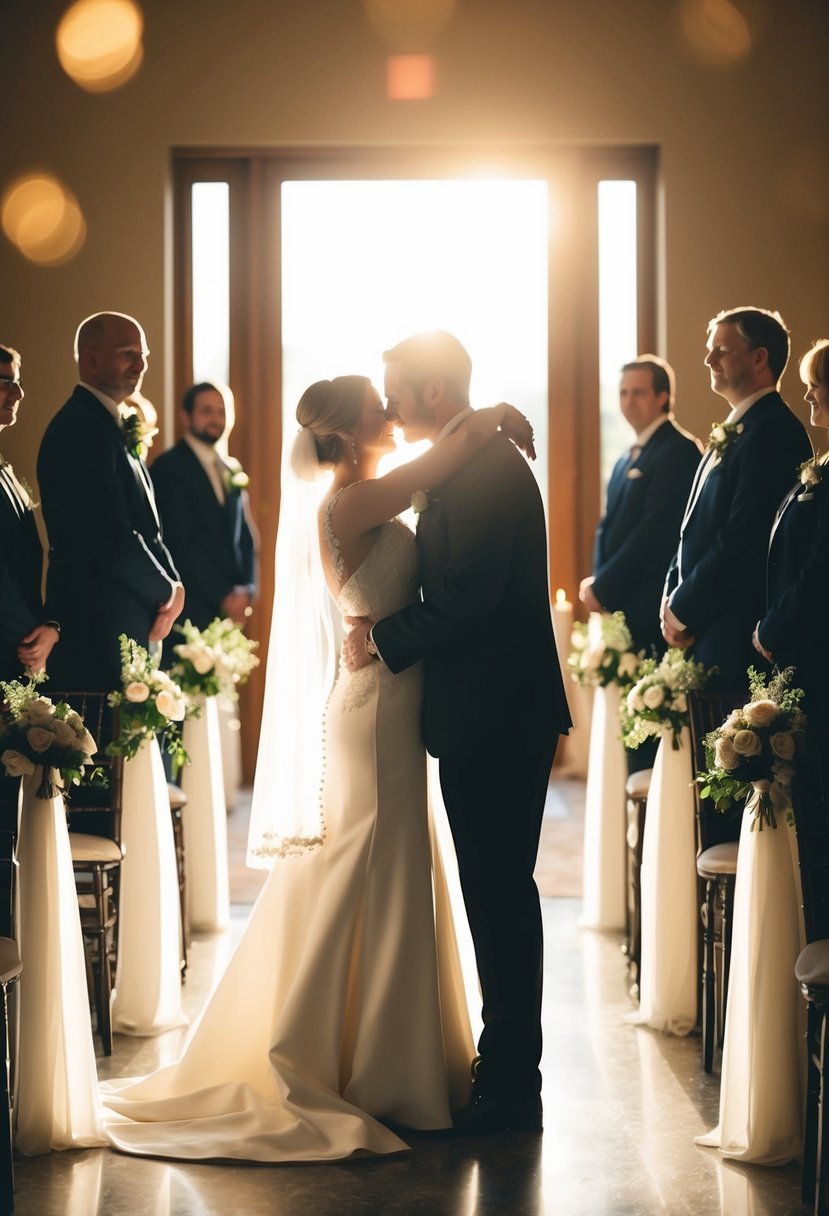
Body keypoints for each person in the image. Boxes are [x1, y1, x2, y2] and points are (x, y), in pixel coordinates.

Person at [101, 374, 535, 1162]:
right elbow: (440, 465)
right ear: (344, 430)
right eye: (377, 405)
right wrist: (489, 419)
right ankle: (347, 1057)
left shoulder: (367, 492)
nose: (389, 412)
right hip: (375, 709)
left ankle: (387, 1056)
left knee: (389, 859)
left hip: (392, 700)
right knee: (365, 858)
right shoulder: (352, 501)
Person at [343, 331, 571, 1135]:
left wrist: (381, 638)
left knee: (501, 895)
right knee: (493, 892)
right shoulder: (464, 457)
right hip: (484, 710)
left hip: (499, 712)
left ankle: (512, 1087)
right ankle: (502, 1068)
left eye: (396, 389)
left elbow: (470, 597)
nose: (391, 405)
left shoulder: (482, 469)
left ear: (435, 394)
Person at [661, 307, 811, 690]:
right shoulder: (736, 427)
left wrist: (683, 607)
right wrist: (672, 598)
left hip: (733, 634)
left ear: (760, 358)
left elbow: (743, 536)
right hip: (703, 628)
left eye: (721, 350)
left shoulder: (774, 430)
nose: (709, 359)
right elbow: (692, 527)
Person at [36, 312, 184, 692]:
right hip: (97, 625)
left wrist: (173, 583)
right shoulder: (80, 428)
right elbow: (109, 535)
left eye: (143, 354)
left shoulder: (112, 425)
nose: (140, 364)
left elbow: (148, 527)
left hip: (129, 619)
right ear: (91, 359)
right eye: (127, 353)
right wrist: (165, 591)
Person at [580, 355, 702, 770]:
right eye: (623, 393)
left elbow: (655, 533)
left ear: (663, 397)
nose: (629, 402)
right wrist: (601, 591)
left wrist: (603, 586)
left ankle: (650, 824)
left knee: (647, 726)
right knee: (628, 726)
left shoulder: (678, 451)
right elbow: (608, 529)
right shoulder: (624, 459)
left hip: (652, 610)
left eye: (639, 392)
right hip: (622, 610)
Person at [150, 381, 256, 663]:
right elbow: (181, 543)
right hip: (191, 609)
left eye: (222, 412)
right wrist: (223, 595)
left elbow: (245, 537)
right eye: (206, 411)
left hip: (230, 613)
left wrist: (247, 588)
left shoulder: (230, 468)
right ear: (186, 416)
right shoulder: (168, 468)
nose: (215, 419)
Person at [753, 338, 829, 724]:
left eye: (816, 383)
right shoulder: (822, 464)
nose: (808, 393)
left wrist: (773, 627)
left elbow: (820, 565)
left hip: (817, 648)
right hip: (801, 650)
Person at [0, 345, 60, 681]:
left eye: (18, 382)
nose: (18, 393)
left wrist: (48, 626)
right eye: (6, 382)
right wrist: (30, 637)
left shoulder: (5, 468)